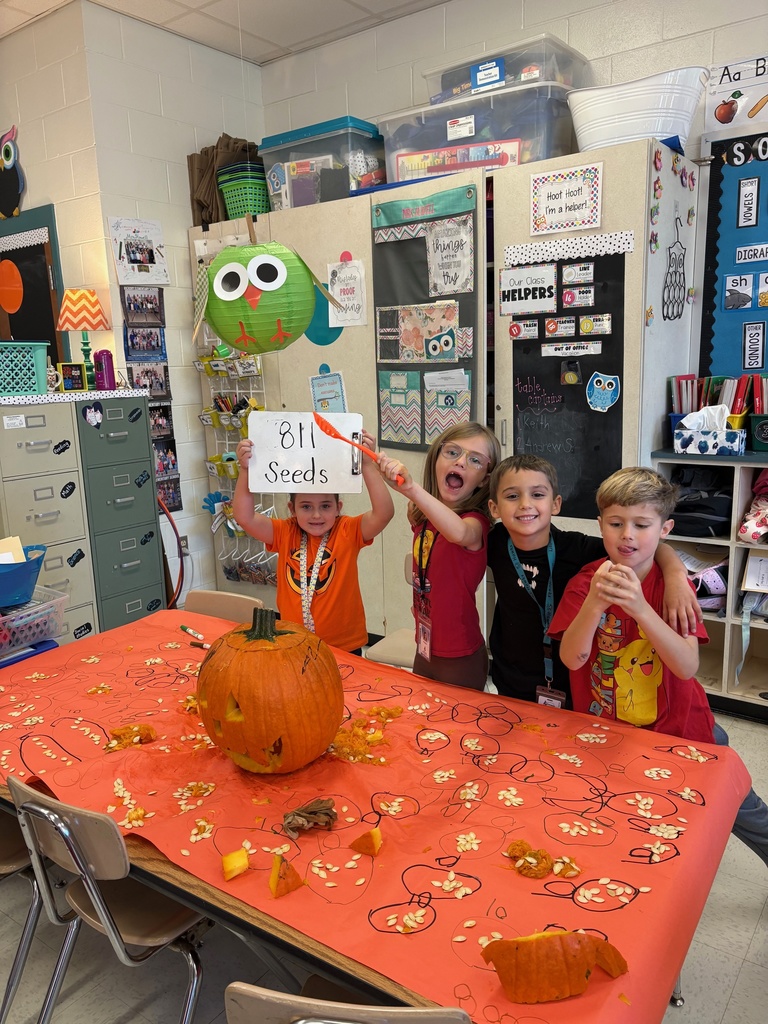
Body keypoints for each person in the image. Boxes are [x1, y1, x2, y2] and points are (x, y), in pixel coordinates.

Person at [549, 466, 768, 867]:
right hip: (613, 731)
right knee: (633, 812)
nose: (627, 535)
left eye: (641, 524)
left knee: (741, 805)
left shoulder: (673, 591)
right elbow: (571, 658)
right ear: (600, 525)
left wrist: (640, 608)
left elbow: (686, 666)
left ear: (665, 529)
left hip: (684, 728)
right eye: (616, 523)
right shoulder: (585, 584)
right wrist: (596, 603)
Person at [487, 455, 701, 708]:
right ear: (494, 508)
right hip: (511, 675)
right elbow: (460, 534)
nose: (525, 505)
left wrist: (676, 576)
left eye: (537, 494)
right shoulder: (494, 541)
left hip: (570, 682)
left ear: (555, 504)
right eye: (513, 496)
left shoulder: (578, 549)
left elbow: (645, 550)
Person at [233, 428, 394, 655]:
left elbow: (384, 513)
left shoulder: (347, 531)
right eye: (306, 506)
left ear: (338, 508)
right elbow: (244, 517)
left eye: (325, 506)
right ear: (292, 509)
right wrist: (245, 470)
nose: (316, 515)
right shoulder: (284, 532)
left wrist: (367, 464)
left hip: (344, 646)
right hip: (294, 641)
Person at [377, 422, 501, 690]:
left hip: (460, 655)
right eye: (452, 452)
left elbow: (458, 533)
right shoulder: (420, 514)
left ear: (484, 480)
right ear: (436, 459)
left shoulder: (475, 523)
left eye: (475, 460)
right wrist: (369, 463)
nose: (461, 462)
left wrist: (412, 489)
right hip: (424, 645)